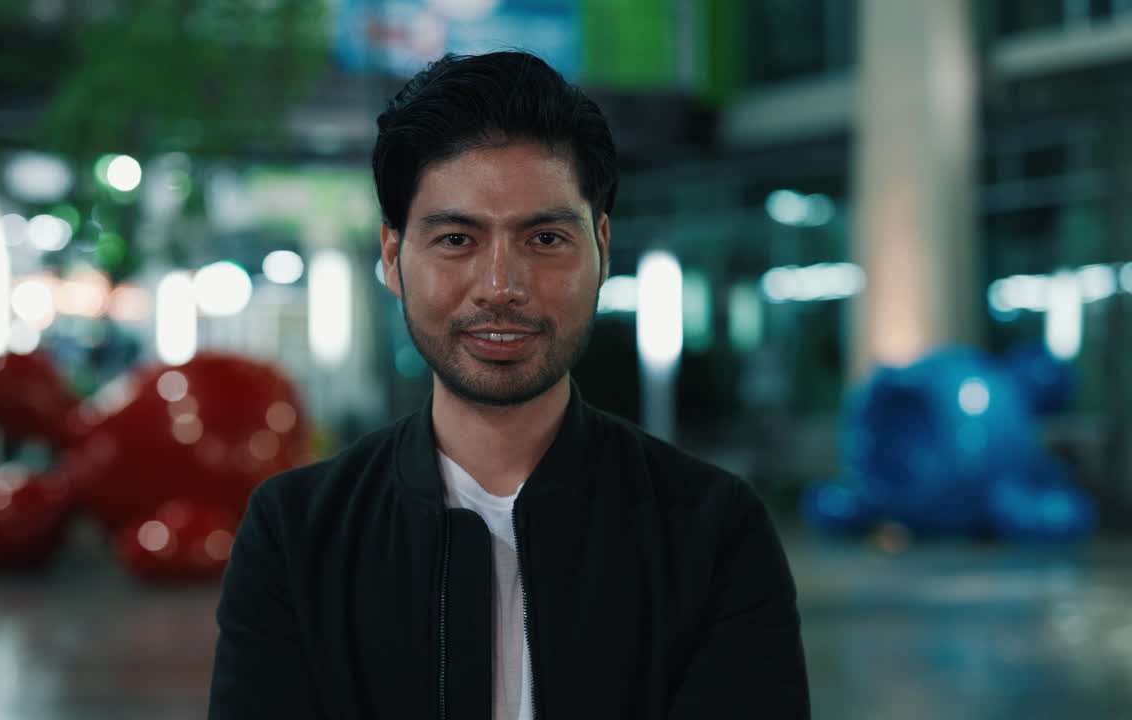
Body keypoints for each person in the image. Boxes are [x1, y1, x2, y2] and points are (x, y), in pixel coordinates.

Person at [209, 51, 809, 719]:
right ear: (393, 258)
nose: (500, 286)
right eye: (457, 240)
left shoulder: (710, 531)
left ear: (602, 249)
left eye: (545, 238)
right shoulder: (298, 535)